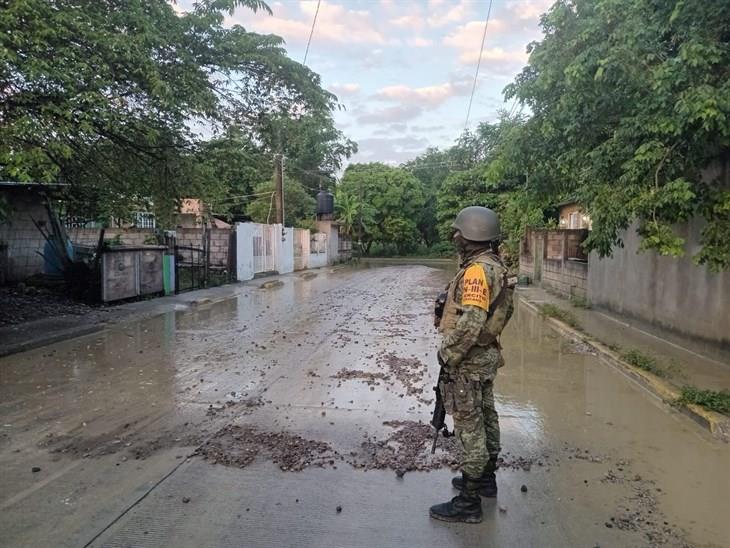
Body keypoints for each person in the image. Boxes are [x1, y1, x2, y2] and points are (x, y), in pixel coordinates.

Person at [429, 206, 515, 524]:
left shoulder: (478, 271)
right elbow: (504, 313)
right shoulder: (496, 266)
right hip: (485, 357)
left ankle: (468, 502)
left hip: (469, 363)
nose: (455, 236)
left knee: (470, 428)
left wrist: (448, 354)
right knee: (488, 418)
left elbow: (472, 321)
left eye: (459, 232)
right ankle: (485, 481)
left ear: (473, 236)